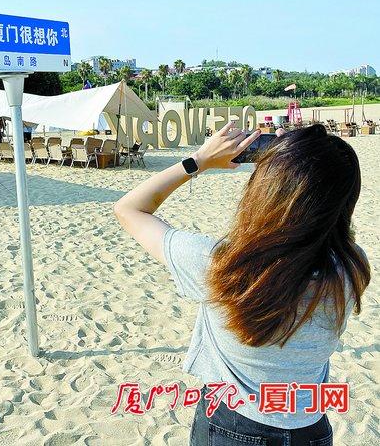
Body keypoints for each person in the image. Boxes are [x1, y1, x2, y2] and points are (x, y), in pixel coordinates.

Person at [113, 122, 370, 445]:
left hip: (233, 424)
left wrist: (199, 160)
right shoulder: (351, 267)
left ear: (266, 190)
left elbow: (129, 208)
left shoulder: (220, 265)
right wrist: (296, 158)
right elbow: (324, 228)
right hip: (311, 428)